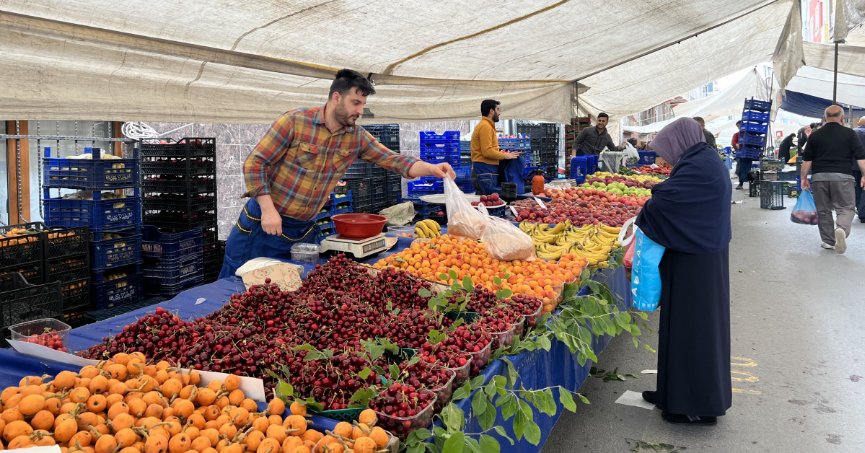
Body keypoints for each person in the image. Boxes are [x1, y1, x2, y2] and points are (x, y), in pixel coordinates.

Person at [220, 69, 455, 277]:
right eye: (355, 103)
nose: (360, 110)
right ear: (336, 97)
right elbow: (255, 163)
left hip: (302, 230)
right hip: (263, 224)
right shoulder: (295, 121)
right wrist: (268, 209)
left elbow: (394, 160)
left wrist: (431, 169)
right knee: (235, 289)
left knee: (285, 292)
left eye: (363, 104)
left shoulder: (356, 137)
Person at [636, 118, 732, 425]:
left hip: (697, 264)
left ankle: (694, 406)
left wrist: (650, 204)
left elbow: (668, 202)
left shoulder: (700, 166)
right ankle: (671, 393)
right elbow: (675, 196)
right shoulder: (701, 160)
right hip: (696, 255)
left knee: (694, 331)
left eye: (667, 149)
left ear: (680, 141)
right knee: (679, 328)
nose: (666, 158)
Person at [800, 105, 865, 254]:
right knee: (846, 208)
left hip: (819, 177)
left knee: (823, 210)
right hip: (843, 177)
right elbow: (861, 157)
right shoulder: (850, 134)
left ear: (825, 117)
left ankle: (828, 241)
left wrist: (803, 178)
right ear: (842, 117)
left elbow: (807, 160)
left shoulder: (815, 135)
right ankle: (841, 229)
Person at [470, 99, 519, 195]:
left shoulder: (487, 125)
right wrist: (505, 155)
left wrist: (503, 153)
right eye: (498, 109)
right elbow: (487, 151)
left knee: (487, 199)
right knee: (489, 198)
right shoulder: (485, 126)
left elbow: (488, 149)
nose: (499, 113)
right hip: (485, 169)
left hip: (486, 169)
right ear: (491, 111)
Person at [855, 117, 865, 223]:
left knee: (857, 187)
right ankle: (863, 212)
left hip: (853, 165)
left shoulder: (853, 132)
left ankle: (859, 208)